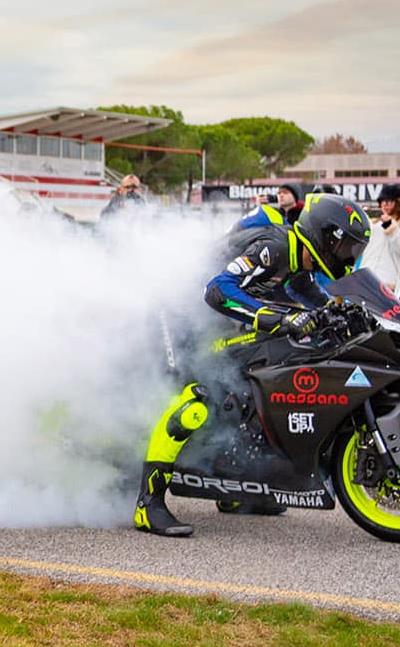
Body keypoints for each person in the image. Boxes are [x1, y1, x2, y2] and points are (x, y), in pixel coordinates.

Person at [136, 194, 373, 537]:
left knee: (247, 386)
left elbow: (310, 297)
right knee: (196, 399)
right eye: (347, 247)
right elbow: (218, 291)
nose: (350, 256)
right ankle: (149, 504)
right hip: (175, 314)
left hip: (208, 319)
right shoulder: (276, 248)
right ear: (325, 237)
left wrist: (344, 313)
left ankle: (233, 491)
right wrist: (278, 319)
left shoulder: (298, 263)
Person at [360, 184, 400, 298]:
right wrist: (362, 220)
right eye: (382, 201)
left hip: (390, 284)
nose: (385, 205)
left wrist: (391, 228)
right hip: (367, 280)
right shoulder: (373, 224)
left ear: (398, 203)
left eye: (389, 201)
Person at [230, 181, 305, 232]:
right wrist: (258, 207)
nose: (281, 195)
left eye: (285, 193)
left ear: (295, 196)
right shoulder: (275, 214)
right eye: (279, 193)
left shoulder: (303, 214)